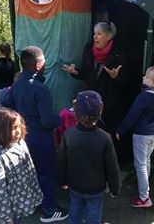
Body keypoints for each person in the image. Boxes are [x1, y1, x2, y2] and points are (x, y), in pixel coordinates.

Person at [2, 46, 68, 223]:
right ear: (38, 65)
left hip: (22, 135)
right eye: (44, 61)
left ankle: (32, 203)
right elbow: (48, 120)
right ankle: (49, 210)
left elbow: (6, 102)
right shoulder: (40, 88)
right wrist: (60, 118)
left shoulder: (17, 83)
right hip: (40, 137)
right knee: (45, 172)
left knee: (29, 172)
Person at [62, 21, 132, 163]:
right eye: (94, 33)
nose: (95, 37)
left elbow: (127, 81)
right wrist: (75, 72)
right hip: (91, 102)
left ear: (109, 36)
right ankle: (92, 162)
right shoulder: (88, 50)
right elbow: (86, 74)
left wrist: (115, 77)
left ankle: (109, 163)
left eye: (99, 34)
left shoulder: (119, 54)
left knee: (107, 136)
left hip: (110, 103)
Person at [58, 90, 121, 224]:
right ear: (100, 112)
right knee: (94, 214)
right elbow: (112, 167)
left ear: (76, 112)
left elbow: (61, 160)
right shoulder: (105, 138)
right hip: (96, 188)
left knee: (74, 211)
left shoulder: (68, 135)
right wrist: (114, 188)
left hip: (74, 185)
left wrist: (62, 180)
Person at [116, 65, 154, 208]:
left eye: (146, 77)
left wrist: (120, 130)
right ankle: (145, 190)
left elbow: (132, 116)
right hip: (152, 133)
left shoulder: (144, 97)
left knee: (140, 165)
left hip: (141, 135)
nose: (143, 78)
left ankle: (144, 198)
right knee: (146, 162)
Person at [0, 108, 43, 224]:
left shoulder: (18, 142)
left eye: (19, 126)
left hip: (24, 194)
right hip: (12, 205)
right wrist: (6, 217)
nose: (18, 132)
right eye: (13, 128)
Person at [0, 42, 15, 109]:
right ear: (10, 51)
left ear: (0, 51)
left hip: (0, 91)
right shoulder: (13, 64)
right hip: (12, 90)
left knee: (2, 114)